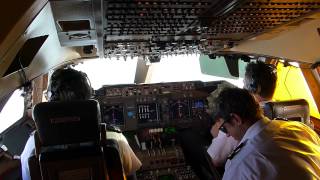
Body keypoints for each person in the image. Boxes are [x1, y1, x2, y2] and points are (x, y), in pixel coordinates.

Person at [20, 68, 142, 180]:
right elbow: (130, 173)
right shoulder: (115, 139)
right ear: (88, 98)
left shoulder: (32, 146)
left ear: (51, 100)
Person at [216, 88, 320, 180]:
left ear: (236, 119)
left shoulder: (241, 165)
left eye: (225, 128)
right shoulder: (301, 128)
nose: (228, 135)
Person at [207, 61, 277, 167]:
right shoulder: (288, 115)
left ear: (254, 87)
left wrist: (217, 132)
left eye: (244, 83)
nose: (243, 88)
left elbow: (214, 160)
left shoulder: (242, 120)